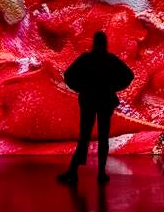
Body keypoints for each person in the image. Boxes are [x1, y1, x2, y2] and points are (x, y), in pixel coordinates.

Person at [57, 31, 134, 185]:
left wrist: (81, 88)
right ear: (105, 43)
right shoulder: (110, 59)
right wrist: (113, 88)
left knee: (84, 136)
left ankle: (73, 171)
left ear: (94, 43)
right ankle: (101, 173)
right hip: (105, 100)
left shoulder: (86, 58)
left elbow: (68, 75)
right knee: (103, 137)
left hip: (88, 99)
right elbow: (129, 75)